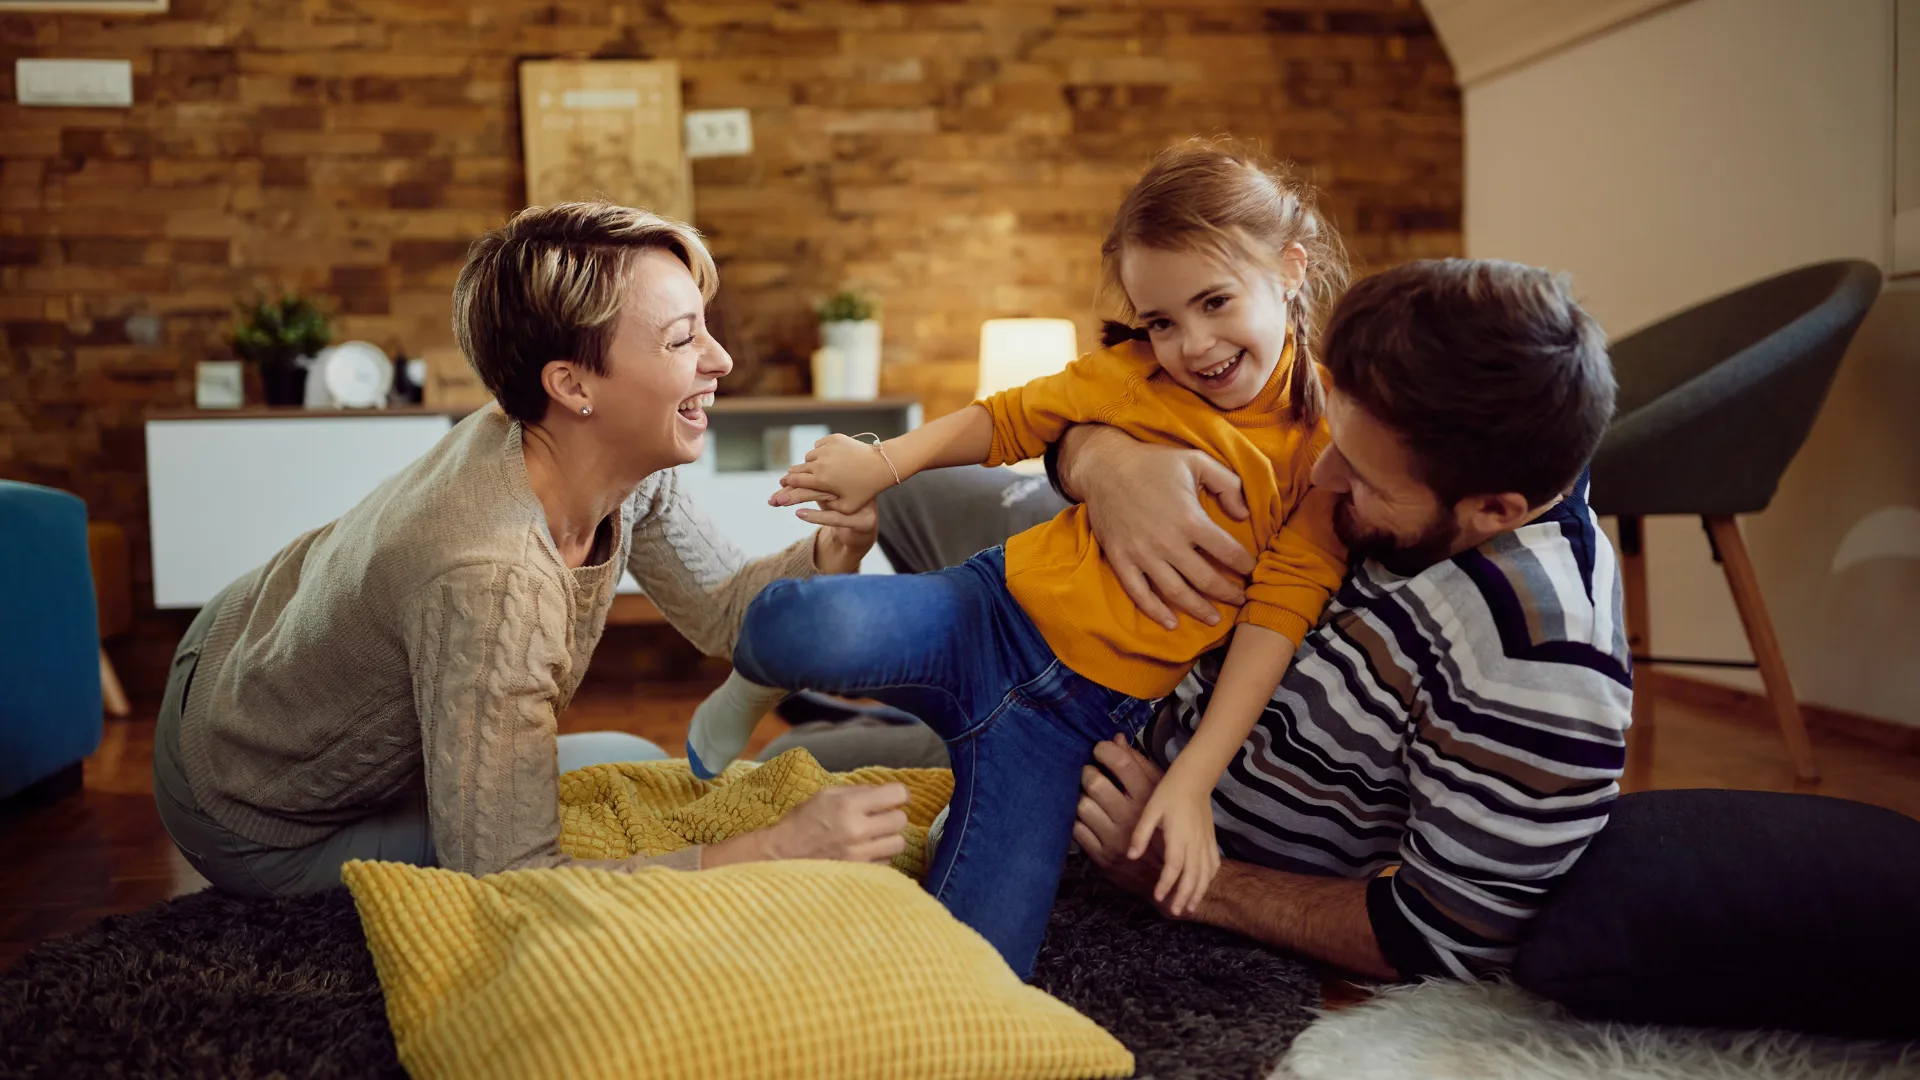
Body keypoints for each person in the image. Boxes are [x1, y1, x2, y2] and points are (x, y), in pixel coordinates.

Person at [780, 258, 1633, 982]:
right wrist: (1105, 465)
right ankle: (873, 696)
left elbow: (1441, 933)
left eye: (1367, 481)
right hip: (1077, 606)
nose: (1324, 479)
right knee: (906, 497)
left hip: (1085, 737)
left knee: (799, 765)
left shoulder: (1542, 663)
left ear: (1494, 510)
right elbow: (1065, 414)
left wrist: (1182, 876)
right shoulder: (1453, 413)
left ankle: (872, 712)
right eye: (1335, 440)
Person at [687, 140, 1351, 978]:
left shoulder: (1324, 453)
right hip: (986, 614)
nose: (1193, 344)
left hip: (1072, 724)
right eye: (1162, 321)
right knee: (789, 625)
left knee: (980, 968)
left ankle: (953, 799)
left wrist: (1189, 780)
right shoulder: (1133, 377)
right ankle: (756, 687)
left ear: (1290, 269)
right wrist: (879, 462)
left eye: (1215, 302)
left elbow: (1275, 619)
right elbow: (1004, 419)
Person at [151, 202, 912, 898]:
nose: (720, 362)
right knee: (622, 818)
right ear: (571, 384)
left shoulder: (591, 453)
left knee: (631, 762)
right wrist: (779, 850)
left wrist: (829, 550)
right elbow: (508, 877)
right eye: (682, 339)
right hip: (248, 804)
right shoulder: (493, 582)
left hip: (246, 640)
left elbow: (719, 612)